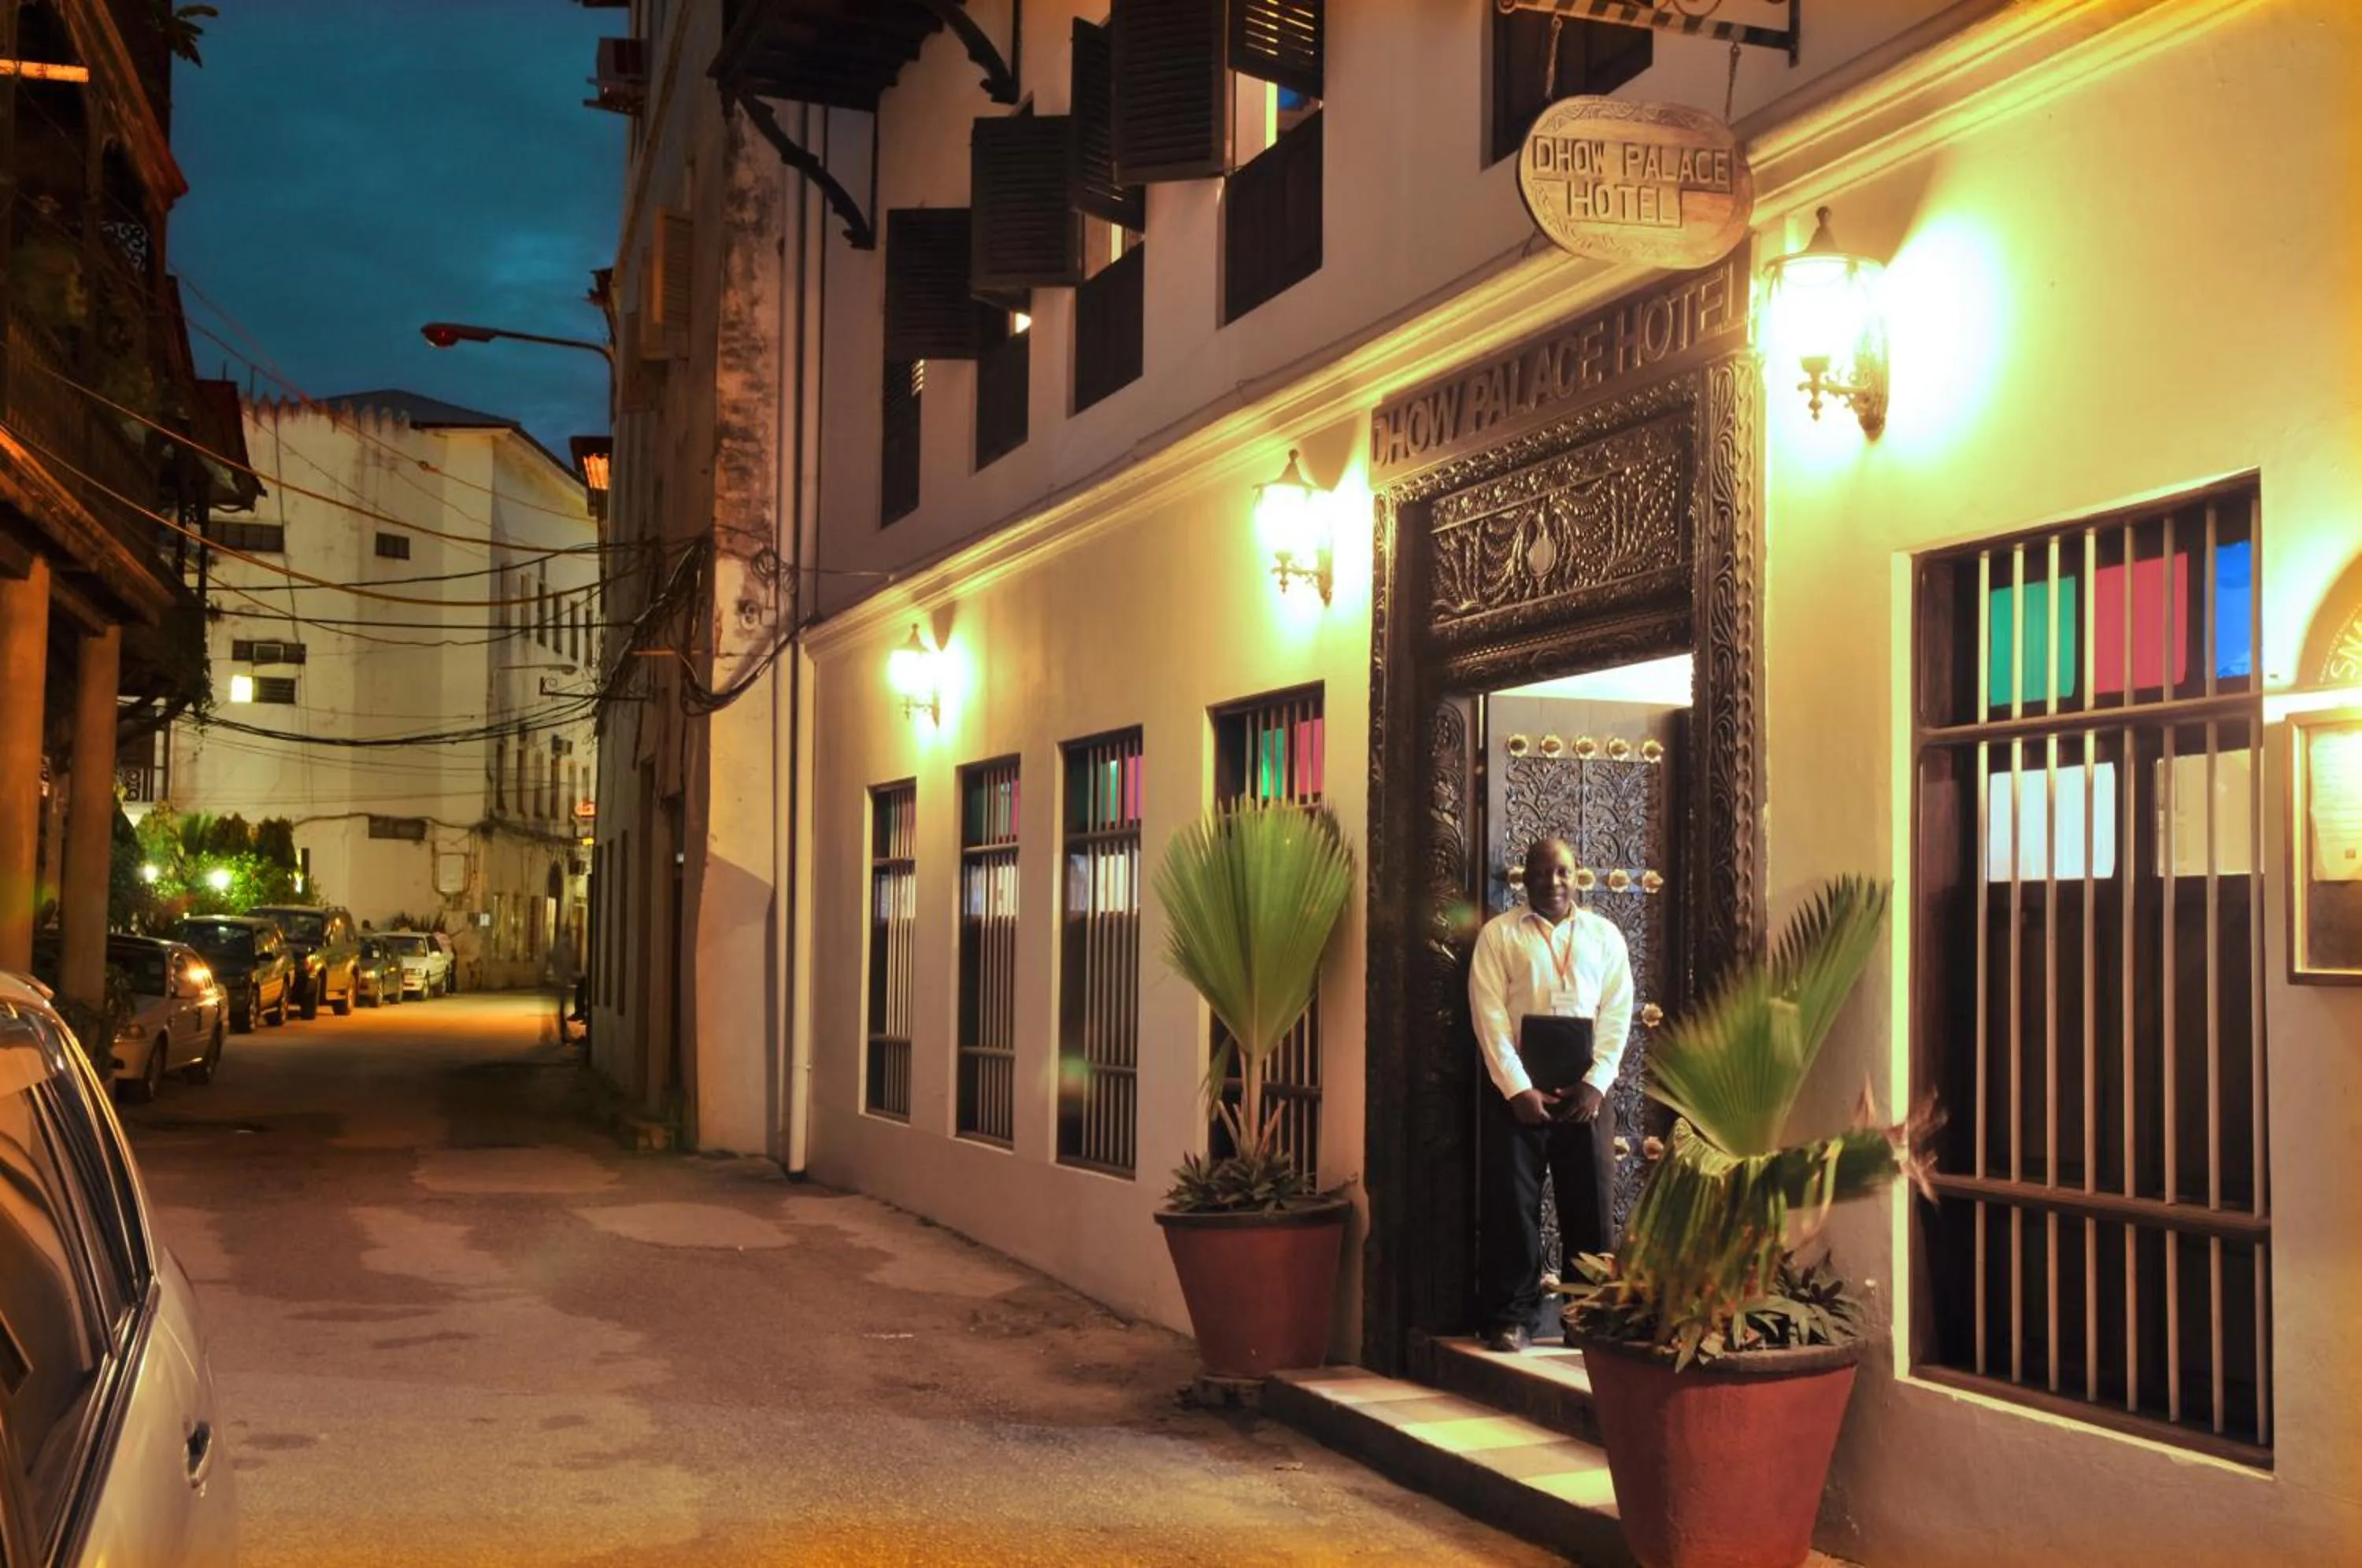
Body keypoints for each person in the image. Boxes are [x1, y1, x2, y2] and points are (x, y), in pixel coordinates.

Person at [1467, 837, 1636, 1354]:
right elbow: (1490, 1016)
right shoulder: (1500, 936)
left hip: (1585, 1095)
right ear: (1524, 879)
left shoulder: (1605, 937)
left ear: (1577, 874)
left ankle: (1585, 1315)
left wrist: (1595, 1083)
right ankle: (1512, 1317)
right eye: (1540, 872)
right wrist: (1517, 1088)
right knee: (1513, 1206)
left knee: (1590, 1203)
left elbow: (1617, 1012)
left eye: (1561, 871)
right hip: (1518, 1095)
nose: (1552, 881)